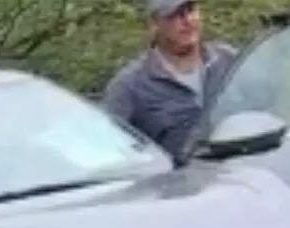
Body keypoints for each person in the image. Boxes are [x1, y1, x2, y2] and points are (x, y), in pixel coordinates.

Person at [100, 0, 239, 157]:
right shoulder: (130, 86)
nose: (187, 20)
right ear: (154, 24)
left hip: (241, 170)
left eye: (191, 10)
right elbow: (108, 149)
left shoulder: (227, 59)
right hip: (179, 178)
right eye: (175, 15)